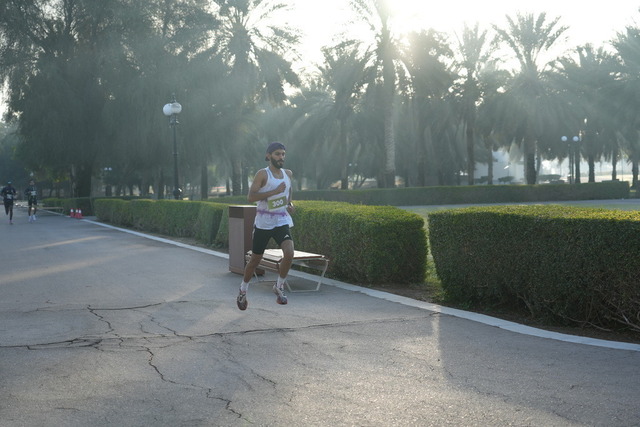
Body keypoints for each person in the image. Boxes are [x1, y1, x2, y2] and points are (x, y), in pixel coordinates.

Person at [237, 141, 295, 311]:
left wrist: (290, 204)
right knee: (255, 260)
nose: (281, 157)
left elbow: (288, 192)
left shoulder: (288, 174)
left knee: (289, 253)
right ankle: (243, 290)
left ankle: (279, 286)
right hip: (263, 222)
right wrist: (274, 191)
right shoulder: (262, 174)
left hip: (281, 221)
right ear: (269, 156)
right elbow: (251, 197)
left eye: (283, 154)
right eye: (277, 154)